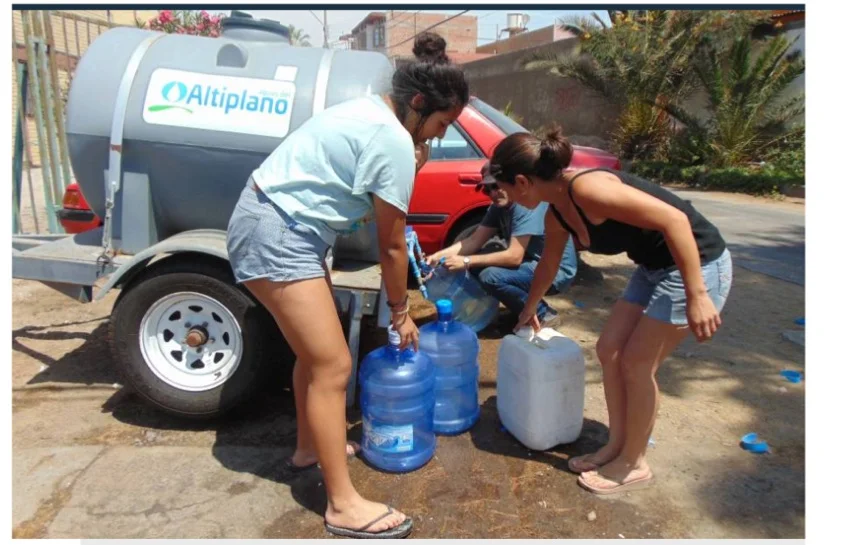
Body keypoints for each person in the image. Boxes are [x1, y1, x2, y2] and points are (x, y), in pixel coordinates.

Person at [226, 35, 469, 538]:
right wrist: (400, 312)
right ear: (419, 103)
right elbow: (392, 246)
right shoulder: (392, 138)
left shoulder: (371, 111)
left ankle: (309, 449)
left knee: (316, 356)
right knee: (334, 365)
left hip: (278, 223)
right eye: (442, 124)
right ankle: (342, 504)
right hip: (280, 232)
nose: (440, 136)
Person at [486, 127, 732, 496]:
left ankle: (634, 463)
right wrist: (529, 307)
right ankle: (617, 445)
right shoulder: (557, 214)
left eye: (505, 189)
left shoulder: (588, 189)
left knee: (637, 363)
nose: (506, 199)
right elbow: (548, 265)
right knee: (609, 350)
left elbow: (676, 221)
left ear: (522, 182)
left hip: (697, 263)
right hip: (654, 266)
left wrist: (697, 294)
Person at [425, 163, 578, 326]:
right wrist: (437, 257)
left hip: (556, 271)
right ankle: (514, 310)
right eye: (487, 190)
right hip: (530, 262)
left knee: (491, 276)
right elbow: (474, 240)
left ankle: (544, 314)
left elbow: (514, 257)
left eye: (496, 186)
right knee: (477, 265)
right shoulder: (498, 207)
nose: (492, 193)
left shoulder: (525, 206)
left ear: (510, 182)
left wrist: (466, 261)